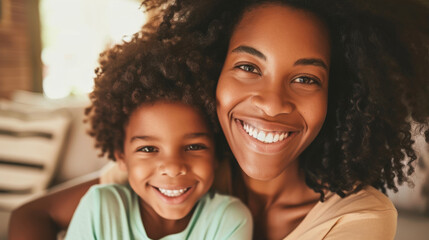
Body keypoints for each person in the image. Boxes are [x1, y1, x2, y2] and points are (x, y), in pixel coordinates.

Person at [9, 0, 429, 239]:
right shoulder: (181, 170)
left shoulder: (358, 219)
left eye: (305, 78)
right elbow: (31, 216)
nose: (271, 102)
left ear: (338, 95)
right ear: (213, 72)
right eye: (248, 67)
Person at [66, 37, 252, 239]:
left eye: (194, 147)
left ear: (217, 152)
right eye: (148, 149)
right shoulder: (100, 208)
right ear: (121, 155)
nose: (172, 167)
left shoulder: (227, 219)